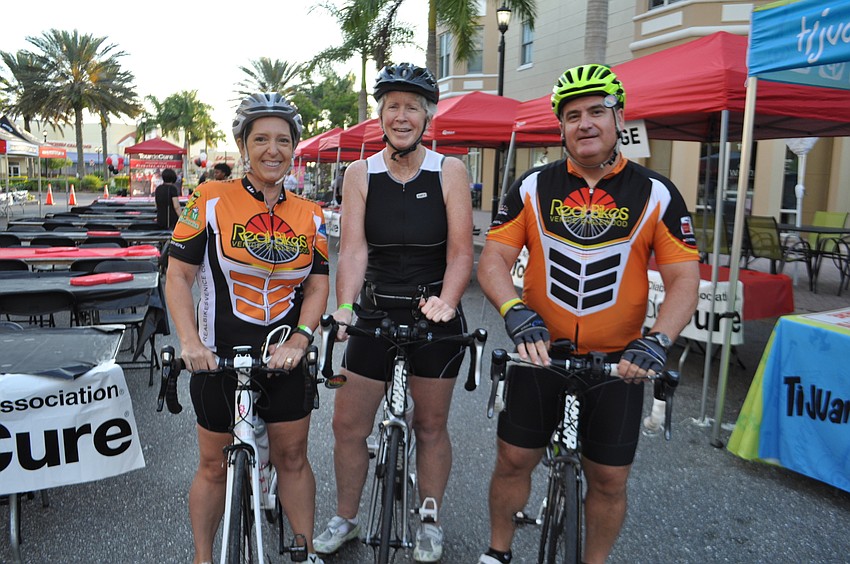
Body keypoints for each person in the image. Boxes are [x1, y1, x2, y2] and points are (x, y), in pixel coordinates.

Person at [475, 64, 699, 564]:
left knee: (609, 479)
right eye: (572, 115)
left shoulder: (656, 192)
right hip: (539, 353)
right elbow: (493, 260)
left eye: (597, 111)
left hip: (620, 362)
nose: (585, 123)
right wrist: (514, 310)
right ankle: (497, 552)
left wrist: (658, 339)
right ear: (561, 127)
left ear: (619, 119)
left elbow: (685, 279)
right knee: (512, 460)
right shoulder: (532, 186)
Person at [314, 63, 474, 563]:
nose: (401, 116)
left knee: (430, 426)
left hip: (435, 312)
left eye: (411, 108)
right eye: (392, 107)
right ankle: (346, 517)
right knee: (348, 425)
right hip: (375, 310)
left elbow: (461, 252)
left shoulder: (449, 170)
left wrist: (449, 300)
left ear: (428, 117)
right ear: (380, 115)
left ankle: (429, 519)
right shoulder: (360, 173)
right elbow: (353, 251)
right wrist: (344, 308)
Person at [166, 93, 330, 564]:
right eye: (261, 139)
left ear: (294, 147)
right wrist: (189, 342)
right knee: (212, 466)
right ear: (243, 145)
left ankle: (305, 551)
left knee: (293, 458)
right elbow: (177, 276)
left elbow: (318, 286)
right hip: (216, 356)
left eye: (283, 140)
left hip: (284, 357)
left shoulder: (311, 214)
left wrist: (301, 338)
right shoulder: (209, 199)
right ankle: (203, 557)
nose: (272, 150)